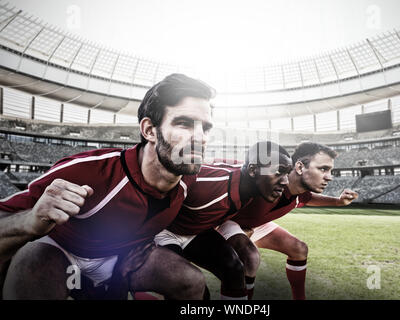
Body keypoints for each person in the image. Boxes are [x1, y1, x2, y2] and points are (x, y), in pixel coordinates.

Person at [0, 73, 216, 299]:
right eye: (184, 123)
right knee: (31, 263)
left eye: (206, 128)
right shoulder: (89, 171)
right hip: (62, 253)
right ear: (149, 130)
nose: (200, 138)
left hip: (121, 258)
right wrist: (29, 221)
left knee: (191, 281)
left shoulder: (189, 179)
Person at [216, 142, 359, 300]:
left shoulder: (299, 192)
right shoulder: (264, 179)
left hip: (251, 223)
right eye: (323, 169)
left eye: (330, 170)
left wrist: (338, 202)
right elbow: (232, 170)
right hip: (223, 219)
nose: (329, 177)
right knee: (249, 256)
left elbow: (307, 199)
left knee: (299, 249)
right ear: (299, 167)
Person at [153, 141, 292, 300]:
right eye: (279, 171)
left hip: (195, 231)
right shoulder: (205, 182)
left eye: (287, 173)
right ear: (253, 170)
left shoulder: (251, 188)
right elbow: (157, 190)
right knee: (191, 289)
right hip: (162, 231)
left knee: (234, 269)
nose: (285, 181)